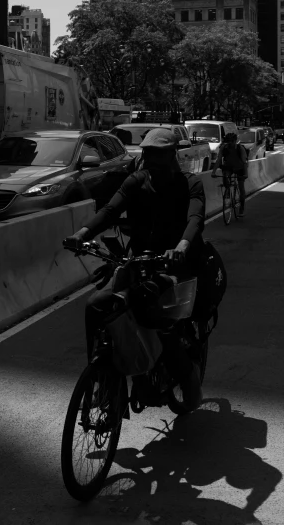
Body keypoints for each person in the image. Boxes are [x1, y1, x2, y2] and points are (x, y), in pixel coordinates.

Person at [64, 128, 206, 410]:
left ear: (173, 154)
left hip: (175, 264)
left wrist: (182, 246)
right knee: (97, 306)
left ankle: (189, 379)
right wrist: (81, 234)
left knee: (158, 319)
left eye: (159, 154)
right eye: (148, 153)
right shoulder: (135, 181)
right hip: (138, 262)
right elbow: (109, 212)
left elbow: (196, 218)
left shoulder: (189, 183)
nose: (152, 159)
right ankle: (102, 383)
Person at [211, 132, 248, 217]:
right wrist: (213, 172)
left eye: (232, 141)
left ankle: (242, 206)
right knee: (225, 176)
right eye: (228, 141)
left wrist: (245, 174)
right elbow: (218, 160)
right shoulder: (224, 148)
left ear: (235, 141)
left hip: (240, 168)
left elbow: (244, 162)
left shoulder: (240, 148)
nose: (230, 143)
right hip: (228, 167)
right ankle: (227, 191)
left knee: (241, 187)